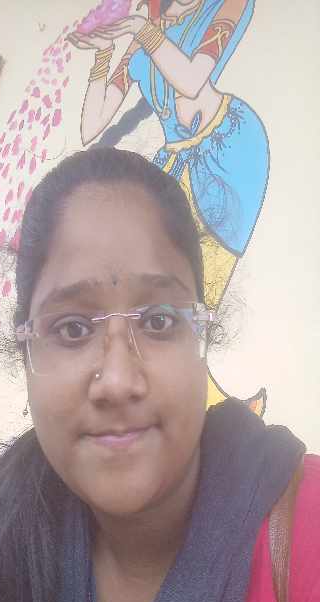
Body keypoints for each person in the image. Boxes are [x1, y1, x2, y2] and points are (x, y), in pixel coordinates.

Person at [0, 148, 319, 602]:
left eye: (158, 321)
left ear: (202, 335)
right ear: (25, 355)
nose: (117, 380)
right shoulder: (10, 531)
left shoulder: (306, 528)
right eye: (72, 329)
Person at [68, 0, 270, 408]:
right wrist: (104, 51)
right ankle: (212, 407)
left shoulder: (228, 6)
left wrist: (140, 30)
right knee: (158, 301)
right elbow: (91, 125)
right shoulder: (146, 27)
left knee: (193, 300)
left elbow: (192, 81)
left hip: (229, 151)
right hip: (176, 160)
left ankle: (213, 414)